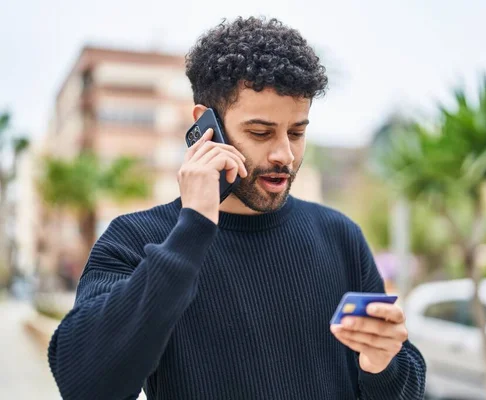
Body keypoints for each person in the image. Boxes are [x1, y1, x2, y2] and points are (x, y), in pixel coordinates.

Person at [48, 16, 426, 400]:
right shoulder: (137, 239)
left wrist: (383, 364)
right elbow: (85, 385)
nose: (285, 155)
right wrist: (192, 228)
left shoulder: (339, 235)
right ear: (206, 125)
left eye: (297, 132)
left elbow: (403, 388)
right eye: (261, 132)